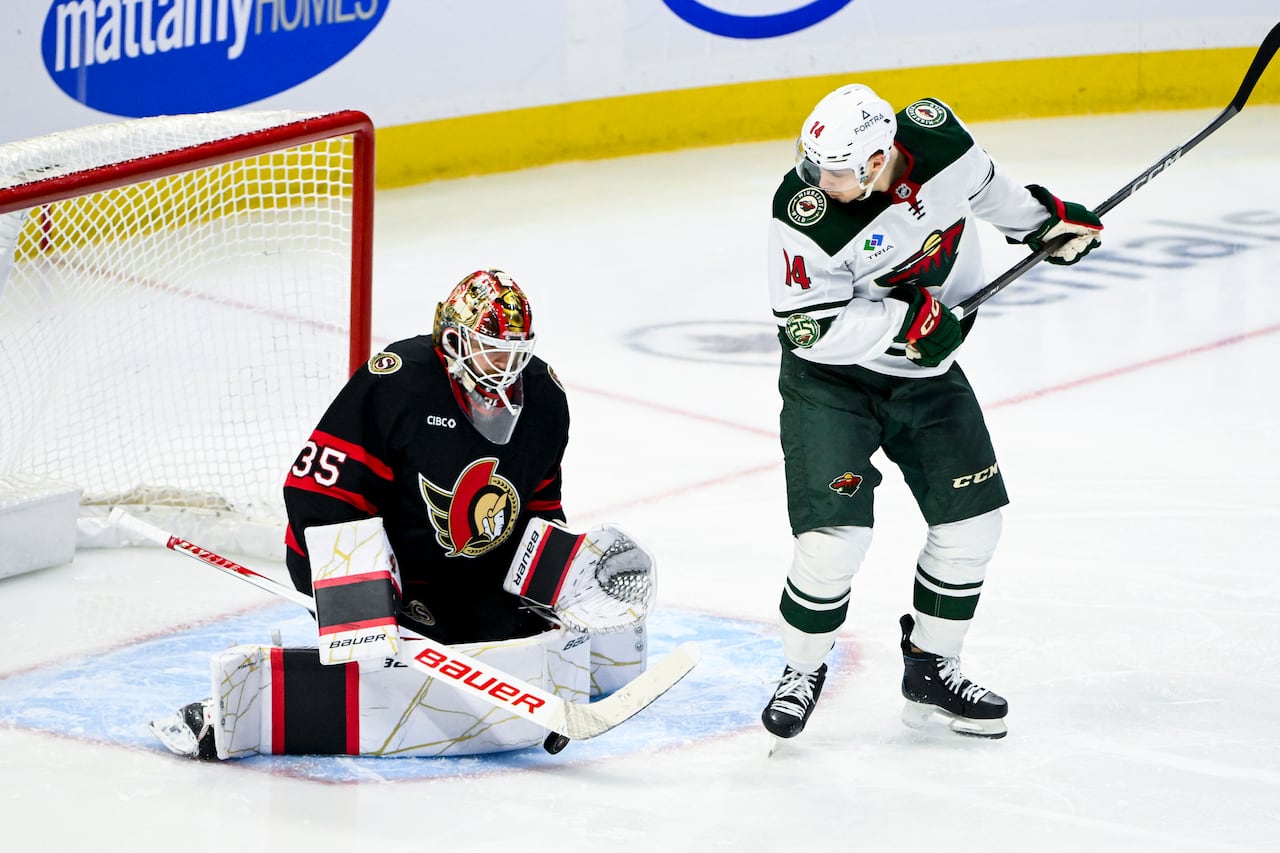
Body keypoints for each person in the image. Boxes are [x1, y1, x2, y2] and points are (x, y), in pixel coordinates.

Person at [150, 269, 647, 759]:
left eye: (517, 352)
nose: (505, 366)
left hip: (470, 573)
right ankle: (266, 702)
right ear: (452, 339)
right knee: (391, 665)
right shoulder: (399, 382)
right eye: (492, 348)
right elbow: (317, 492)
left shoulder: (543, 397)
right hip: (381, 568)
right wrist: (359, 602)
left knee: (516, 646)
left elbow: (541, 507)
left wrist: (549, 591)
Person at [761, 85, 1101, 741]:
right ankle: (800, 669)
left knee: (974, 524)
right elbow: (805, 328)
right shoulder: (802, 212)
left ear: (879, 157)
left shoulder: (937, 138)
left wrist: (1043, 223)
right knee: (835, 541)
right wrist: (906, 321)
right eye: (816, 165)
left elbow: (990, 188)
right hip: (833, 385)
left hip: (927, 375)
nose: (820, 180)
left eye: (836, 169)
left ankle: (932, 672)